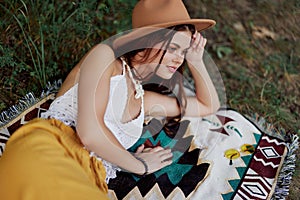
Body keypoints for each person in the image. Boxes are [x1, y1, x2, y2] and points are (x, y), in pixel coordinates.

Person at [0, 0, 220, 199]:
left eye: (183, 52)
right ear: (147, 40)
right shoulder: (104, 58)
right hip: (51, 151)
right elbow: (89, 133)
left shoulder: (145, 101)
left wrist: (196, 61)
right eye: (173, 48)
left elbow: (208, 105)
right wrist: (139, 164)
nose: (178, 59)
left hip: (90, 178)